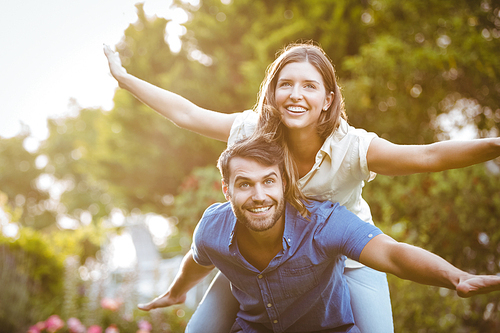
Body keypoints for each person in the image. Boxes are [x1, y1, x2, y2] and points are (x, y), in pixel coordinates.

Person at [103, 42, 500, 332]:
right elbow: (187, 113)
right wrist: (124, 80)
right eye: (286, 84)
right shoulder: (251, 130)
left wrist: (494, 145)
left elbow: (429, 156)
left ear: (328, 99)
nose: (296, 95)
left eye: (309, 86)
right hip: (266, 254)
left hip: (348, 255)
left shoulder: (354, 147)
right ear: (272, 93)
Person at [137, 136, 500, 333]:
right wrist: (175, 292)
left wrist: (456, 276)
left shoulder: (324, 223)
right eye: (245, 184)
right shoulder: (213, 227)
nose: (259, 195)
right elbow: (197, 260)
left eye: (269, 181)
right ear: (226, 190)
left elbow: (392, 254)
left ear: (285, 184)